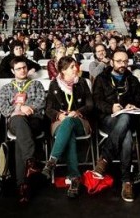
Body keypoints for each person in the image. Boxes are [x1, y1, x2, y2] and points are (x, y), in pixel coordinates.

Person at [91, 49, 140, 202]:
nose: (122, 64)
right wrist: (110, 108)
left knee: (125, 121)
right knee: (126, 134)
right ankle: (127, 180)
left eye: (125, 61)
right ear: (111, 62)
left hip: (128, 117)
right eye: (119, 61)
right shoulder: (101, 78)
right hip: (108, 118)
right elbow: (96, 101)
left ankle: (105, 159)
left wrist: (134, 105)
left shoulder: (132, 80)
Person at [41, 56, 94, 198]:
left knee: (70, 122)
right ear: (63, 71)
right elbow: (48, 109)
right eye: (71, 67)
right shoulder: (54, 85)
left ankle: (52, 161)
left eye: (75, 65)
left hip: (80, 121)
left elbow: (90, 105)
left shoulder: (82, 82)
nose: (75, 68)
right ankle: (74, 177)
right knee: (67, 127)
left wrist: (77, 112)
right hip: (61, 121)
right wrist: (59, 115)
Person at [0, 56, 46, 203]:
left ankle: (21, 184)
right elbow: (4, 109)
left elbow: (42, 101)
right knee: (19, 121)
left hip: (34, 120)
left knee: (20, 136)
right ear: (13, 71)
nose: (22, 70)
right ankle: (30, 164)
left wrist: (29, 107)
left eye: (24, 67)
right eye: (18, 68)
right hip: (15, 120)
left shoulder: (36, 84)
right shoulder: (6, 88)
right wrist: (18, 108)